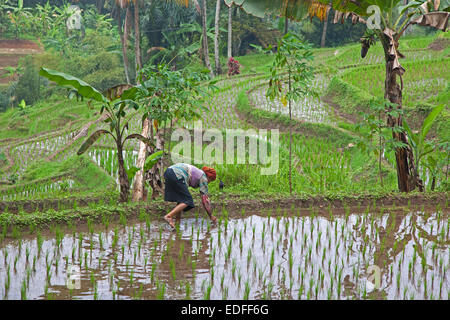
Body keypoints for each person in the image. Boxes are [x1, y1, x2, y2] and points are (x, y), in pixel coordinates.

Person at [163, 163, 217, 228]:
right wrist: (211, 216)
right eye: (210, 181)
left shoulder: (198, 173)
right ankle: (168, 216)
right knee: (188, 201)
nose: (208, 183)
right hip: (177, 174)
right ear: (209, 177)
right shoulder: (203, 177)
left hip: (168, 172)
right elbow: (205, 200)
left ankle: (177, 223)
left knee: (181, 200)